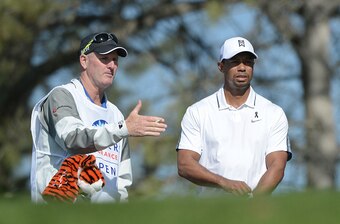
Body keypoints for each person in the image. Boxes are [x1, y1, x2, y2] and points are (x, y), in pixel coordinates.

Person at [30, 32, 167, 203]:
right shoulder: (62, 96)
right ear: (84, 61)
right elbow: (72, 139)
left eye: (115, 60)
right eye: (104, 58)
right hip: (59, 214)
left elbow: (122, 180)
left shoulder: (116, 114)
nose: (111, 65)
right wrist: (124, 129)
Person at [176, 37, 291, 198]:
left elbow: (277, 166)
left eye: (248, 62)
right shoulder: (198, 111)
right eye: (235, 62)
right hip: (210, 212)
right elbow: (184, 164)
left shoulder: (273, 113)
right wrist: (225, 183)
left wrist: (253, 203)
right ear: (221, 66)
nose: (242, 68)